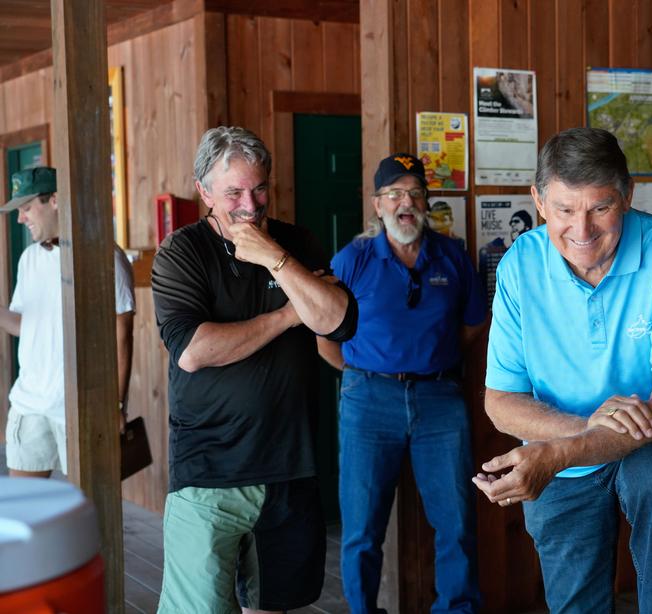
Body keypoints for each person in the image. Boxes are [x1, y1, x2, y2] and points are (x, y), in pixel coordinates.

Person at [472, 127, 652, 613]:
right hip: (564, 447)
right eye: (565, 210)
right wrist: (584, 436)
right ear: (539, 202)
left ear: (628, 195)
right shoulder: (518, 267)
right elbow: (501, 402)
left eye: (600, 208)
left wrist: (563, 451)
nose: (582, 230)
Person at [151, 126, 357, 614]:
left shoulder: (296, 242)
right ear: (204, 191)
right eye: (234, 192)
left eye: (259, 187)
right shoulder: (182, 253)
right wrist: (290, 313)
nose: (251, 203)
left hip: (290, 468)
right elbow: (195, 351)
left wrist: (274, 258)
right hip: (207, 474)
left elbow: (337, 321)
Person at [317, 153, 485, 614]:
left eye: (414, 194)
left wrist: (433, 362)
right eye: (394, 194)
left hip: (440, 399)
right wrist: (362, 375)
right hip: (368, 401)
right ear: (377, 205)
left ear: (426, 203)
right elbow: (324, 339)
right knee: (362, 529)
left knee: (456, 521)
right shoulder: (351, 260)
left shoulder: (452, 256)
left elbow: (471, 326)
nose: (404, 203)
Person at [0, 166, 135, 478]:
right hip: (29, 404)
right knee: (26, 513)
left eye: (27, 208)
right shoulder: (29, 258)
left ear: (56, 200)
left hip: (79, 408)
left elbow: (122, 333)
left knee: (87, 510)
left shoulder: (104, 257)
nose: (21, 218)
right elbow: (25, 327)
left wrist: (116, 406)